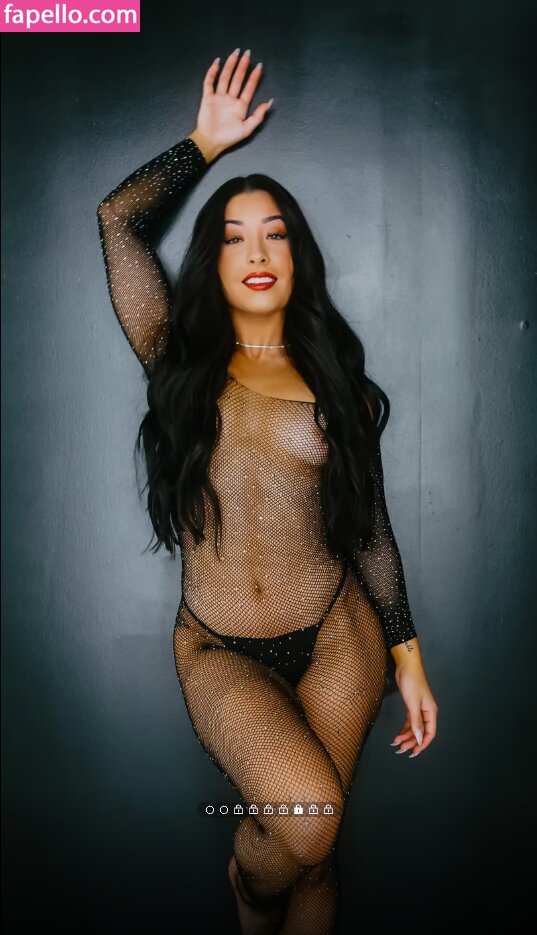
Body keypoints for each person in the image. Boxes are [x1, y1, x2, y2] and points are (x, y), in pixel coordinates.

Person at [97, 48, 438, 935]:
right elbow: (117, 221)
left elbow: (369, 530)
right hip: (219, 648)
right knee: (306, 826)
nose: (256, 252)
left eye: (275, 234)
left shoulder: (338, 386)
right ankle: (248, 888)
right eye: (235, 236)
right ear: (213, 260)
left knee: (316, 858)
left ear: (298, 257)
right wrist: (203, 144)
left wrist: (406, 655)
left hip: (336, 632)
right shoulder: (173, 357)